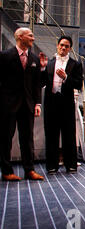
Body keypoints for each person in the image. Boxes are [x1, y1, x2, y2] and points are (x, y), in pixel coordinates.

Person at [0, 28, 44, 181]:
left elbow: (37, 84)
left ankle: (29, 170)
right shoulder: (5, 56)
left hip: (27, 105)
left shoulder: (34, 59)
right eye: (30, 35)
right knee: (6, 138)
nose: (33, 37)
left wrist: (37, 103)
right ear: (20, 37)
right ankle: (6, 171)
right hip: (8, 105)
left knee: (27, 139)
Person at [40, 36, 83, 174]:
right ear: (57, 46)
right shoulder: (49, 63)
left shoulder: (75, 64)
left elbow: (78, 84)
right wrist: (42, 68)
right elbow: (41, 82)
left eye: (66, 46)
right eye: (61, 45)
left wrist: (66, 78)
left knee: (69, 134)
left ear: (70, 48)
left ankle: (70, 165)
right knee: (51, 135)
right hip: (51, 103)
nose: (63, 48)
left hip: (66, 103)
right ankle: (52, 166)